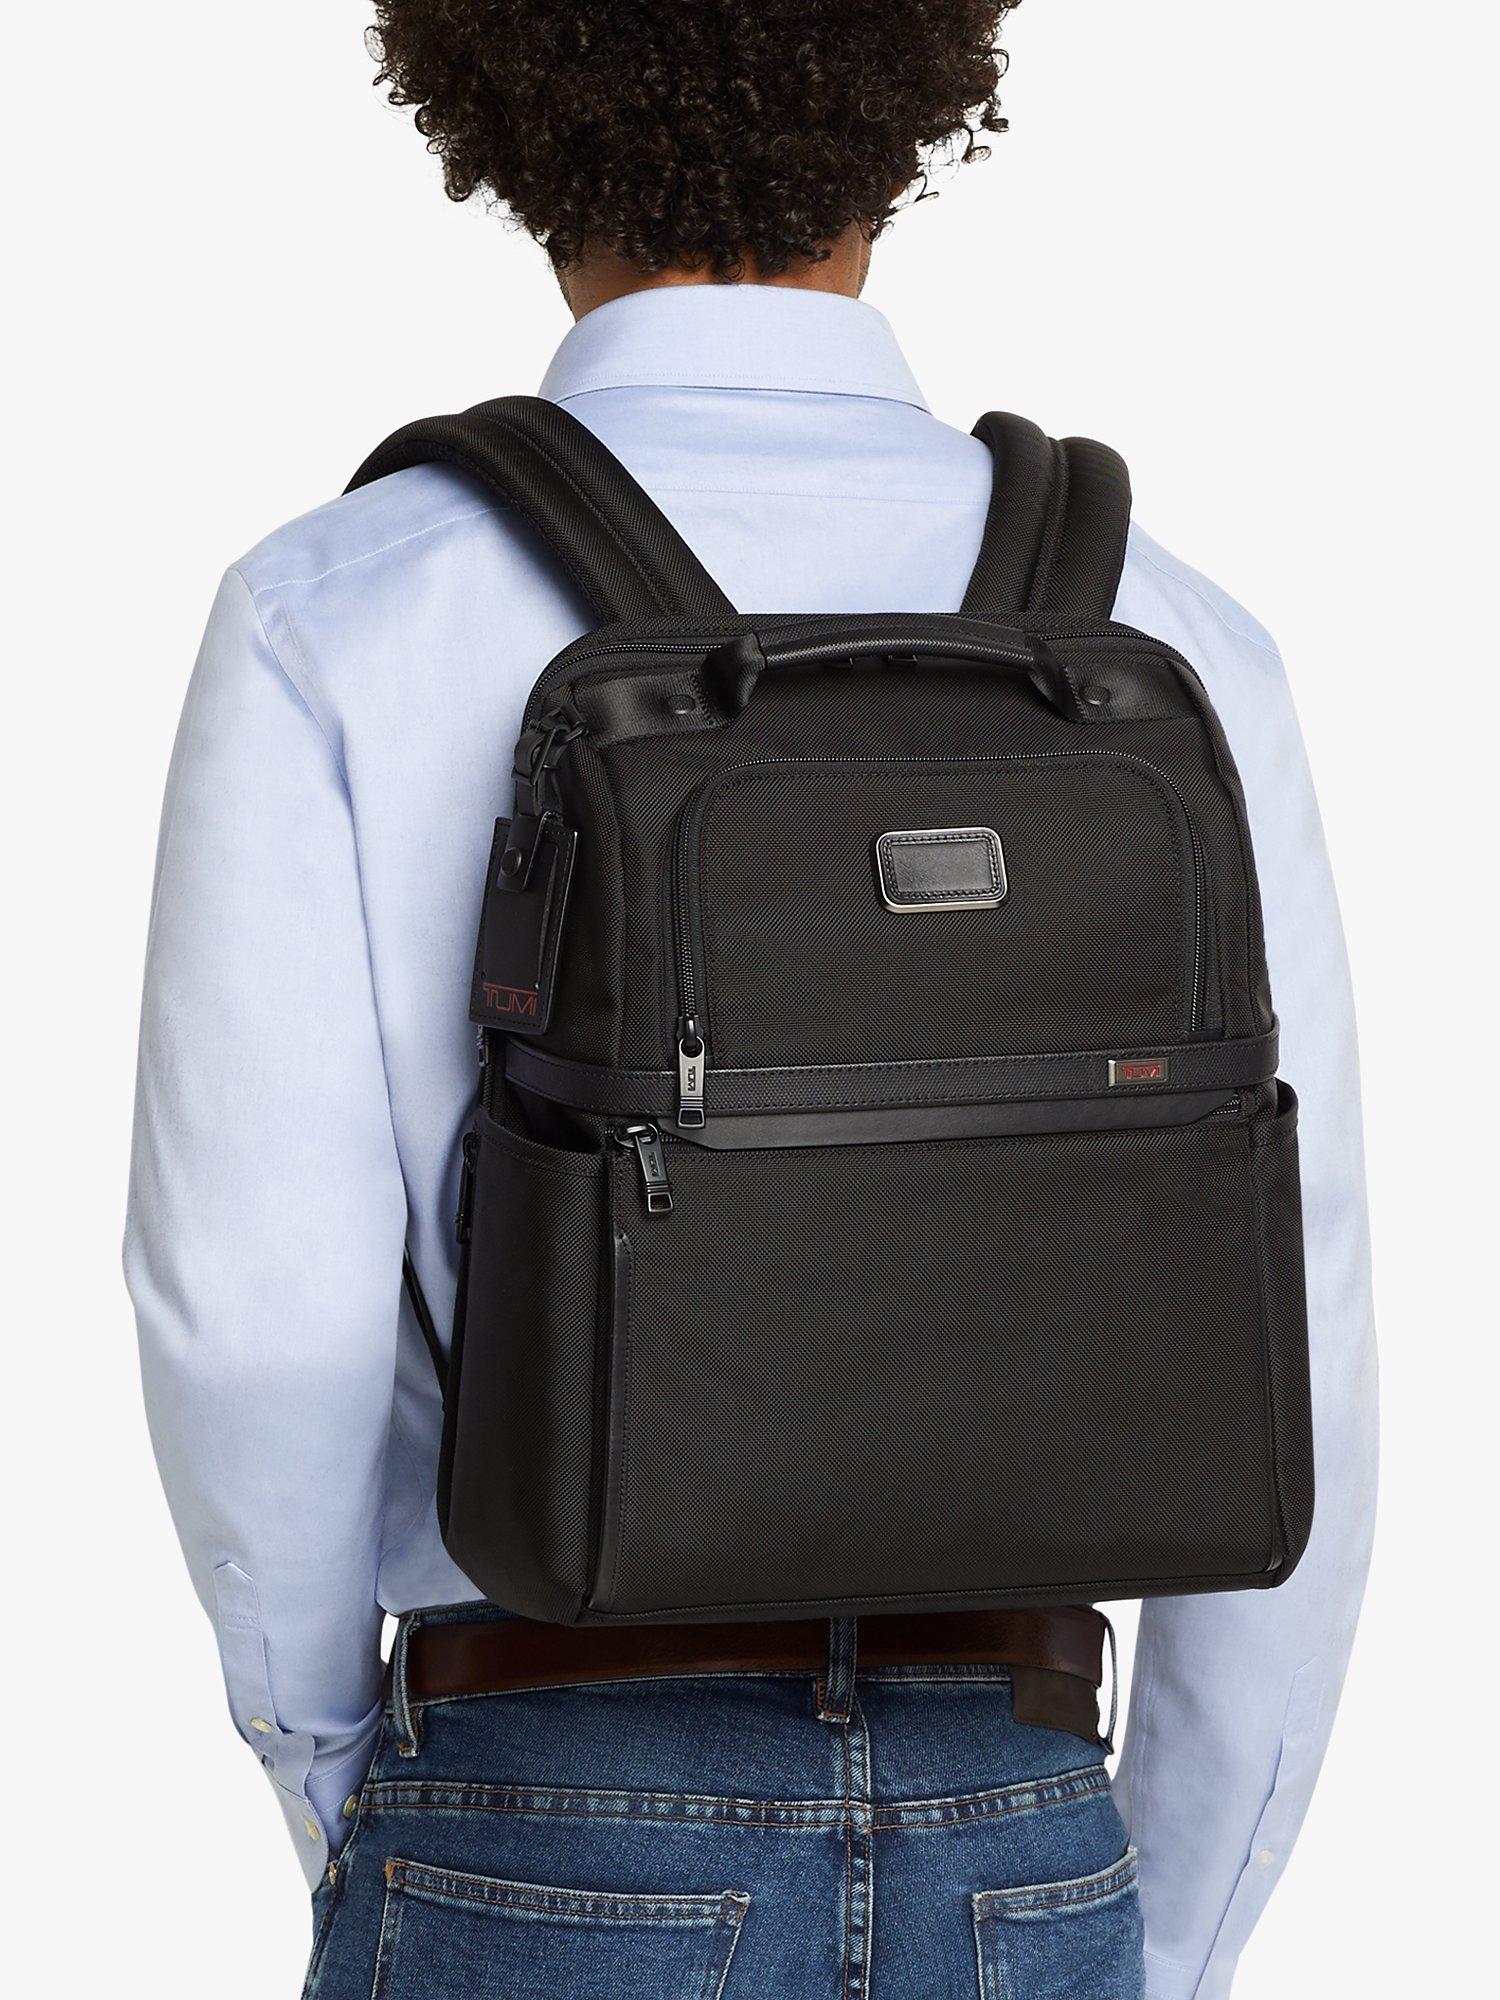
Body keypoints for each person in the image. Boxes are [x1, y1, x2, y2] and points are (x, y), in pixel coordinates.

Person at [125, 5, 1377, 1995]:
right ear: (909, 110)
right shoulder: (1168, 632)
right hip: (1025, 1802)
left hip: (541, 1787)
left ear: (507, 112)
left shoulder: (340, 609)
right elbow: (1290, 1328)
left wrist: (340, 1767)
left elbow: (262, 1319)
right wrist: (1154, 1913)